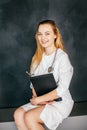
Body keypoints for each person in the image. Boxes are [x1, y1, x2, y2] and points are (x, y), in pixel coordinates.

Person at [14, 19, 74, 130]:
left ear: (55, 35)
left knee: (30, 117)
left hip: (60, 102)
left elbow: (62, 89)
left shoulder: (62, 57)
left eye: (47, 33)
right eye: (40, 34)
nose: (43, 38)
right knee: (18, 114)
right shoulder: (36, 58)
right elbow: (33, 85)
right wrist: (37, 98)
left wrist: (39, 100)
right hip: (41, 99)